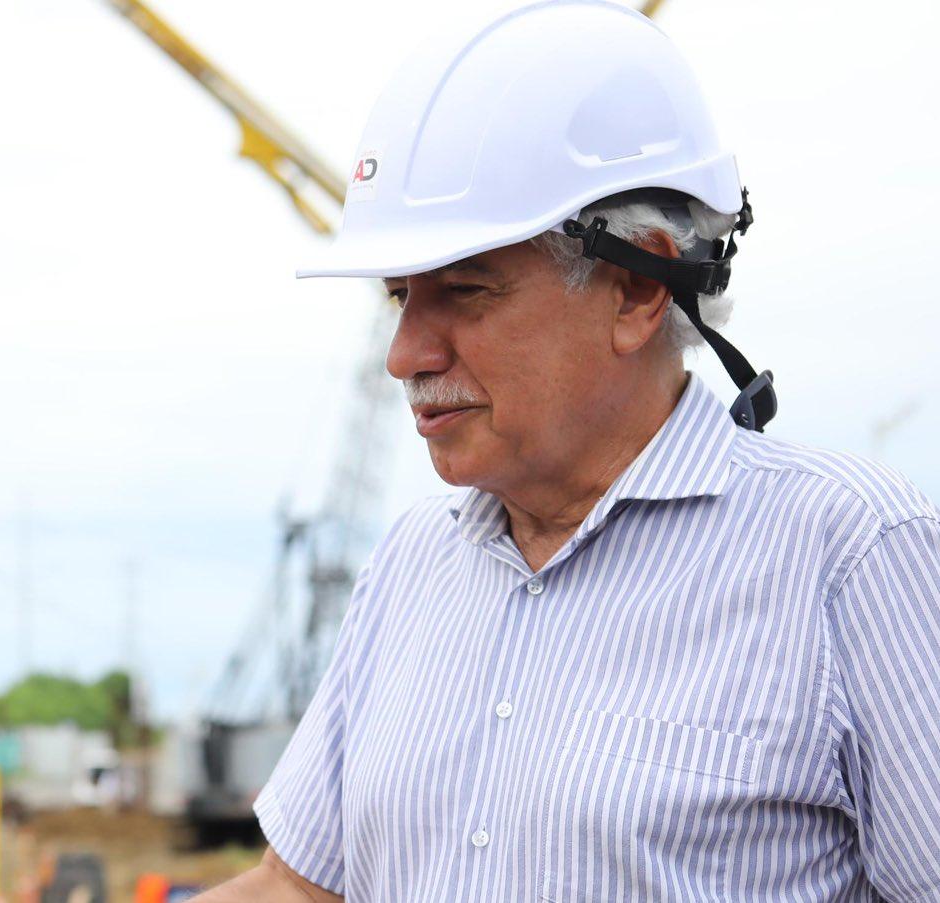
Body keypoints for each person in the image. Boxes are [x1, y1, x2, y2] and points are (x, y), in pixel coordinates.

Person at [197, 2, 940, 900]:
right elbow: (296, 888)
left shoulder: (853, 552)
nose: (406, 356)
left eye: (465, 291)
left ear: (635, 289)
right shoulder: (412, 564)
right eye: (400, 298)